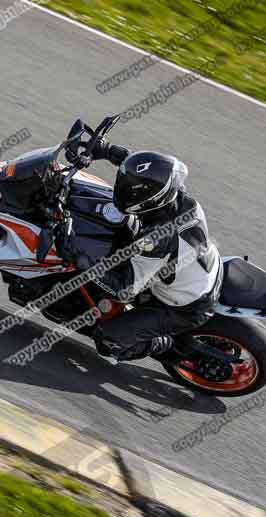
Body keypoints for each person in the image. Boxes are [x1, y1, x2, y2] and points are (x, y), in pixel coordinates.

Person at [68, 140, 223, 361]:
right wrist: (108, 150)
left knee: (107, 339)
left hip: (182, 307)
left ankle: (165, 345)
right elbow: (151, 173)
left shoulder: (156, 239)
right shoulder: (178, 197)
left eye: (128, 190)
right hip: (197, 270)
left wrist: (80, 259)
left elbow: (125, 290)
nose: (123, 188)